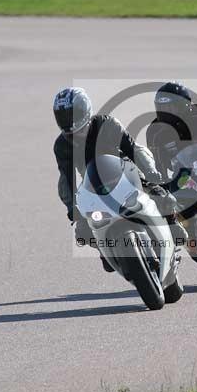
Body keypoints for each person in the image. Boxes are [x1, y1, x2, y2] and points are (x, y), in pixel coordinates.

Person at [52, 87, 187, 272]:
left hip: (124, 170)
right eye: (64, 116)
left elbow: (132, 149)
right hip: (92, 184)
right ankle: (106, 249)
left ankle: (172, 222)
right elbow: (67, 179)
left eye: (72, 114)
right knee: (83, 231)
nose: (69, 121)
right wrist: (73, 209)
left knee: (161, 195)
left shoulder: (107, 124)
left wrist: (151, 176)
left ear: (85, 110)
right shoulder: (62, 145)